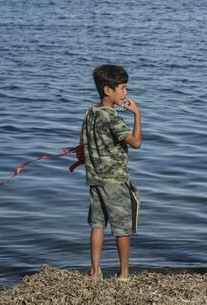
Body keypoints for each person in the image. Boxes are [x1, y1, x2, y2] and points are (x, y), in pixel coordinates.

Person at [80, 64, 142, 281]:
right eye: (123, 88)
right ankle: (124, 274)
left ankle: (95, 271)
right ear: (108, 90)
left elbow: (83, 143)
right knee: (121, 227)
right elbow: (136, 143)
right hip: (115, 179)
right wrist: (137, 114)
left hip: (95, 178)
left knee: (97, 223)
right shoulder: (112, 117)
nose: (125, 92)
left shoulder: (90, 112)